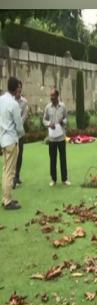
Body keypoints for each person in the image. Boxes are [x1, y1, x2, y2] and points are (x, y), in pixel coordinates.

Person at [0, 77, 25, 210]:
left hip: (3, 140)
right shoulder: (14, 104)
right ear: (16, 88)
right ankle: (7, 201)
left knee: (6, 170)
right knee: (10, 172)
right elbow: (19, 125)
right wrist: (21, 134)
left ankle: (6, 197)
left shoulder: (1, 100)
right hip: (11, 140)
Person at [43, 88, 70, 187]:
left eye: (53, 96)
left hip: (61, 137)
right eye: (51, 96)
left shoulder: (62, 106)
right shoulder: (47, 107)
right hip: (52, 138)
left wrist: (63, 121)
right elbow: (44, 120)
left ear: (57, 96)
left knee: (63, 158)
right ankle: (53, 179)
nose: (52, 98)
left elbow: (67, 118)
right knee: (52, 159)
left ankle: (64, 179)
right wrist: (49, 124)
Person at [13, 80, 29, 189]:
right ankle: (12, 177)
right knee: (12, 155)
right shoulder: (10, 101)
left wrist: (18, 124)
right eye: (17, 87)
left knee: (19, 156)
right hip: (11, 133)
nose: (19, 89)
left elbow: (24, 116)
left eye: (20, 87)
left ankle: (17, 176)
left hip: (20, 133)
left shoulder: (24, 102)